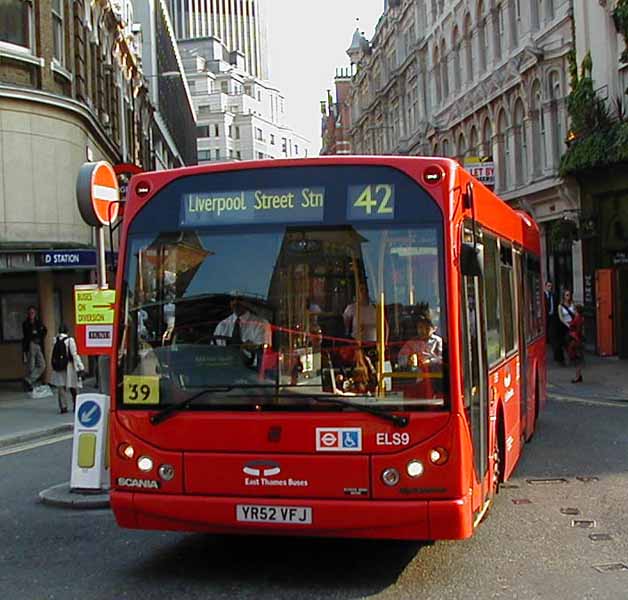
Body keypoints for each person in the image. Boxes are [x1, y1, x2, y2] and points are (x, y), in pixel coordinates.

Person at [49, 325, 85, 414]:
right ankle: (76, 405)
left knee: (61, 387)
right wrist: (80, 366)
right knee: (73, 385)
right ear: (67, 331)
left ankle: (63, 406)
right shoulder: (70, 340)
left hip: (59, 366)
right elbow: (74, 354)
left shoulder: (55, 340)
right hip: (69, 365)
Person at [22, 305, 47, 391]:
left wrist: (38, 336)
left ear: (35, 313)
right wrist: (34, 333)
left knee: (42, 365)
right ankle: (29, 385)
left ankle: (28, 380)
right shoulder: (26, 323)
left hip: (38, 344)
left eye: (32, 313)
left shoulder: (38, 322)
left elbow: (44, 330)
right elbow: (27, 335)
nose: (31, 314)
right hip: (30, 345)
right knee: (31, 366)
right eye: (30, 313)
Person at [566, 304, 585, 383]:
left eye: (574, 309)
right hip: (578, 339)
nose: (573, 310)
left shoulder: (577, 318)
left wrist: (570, 325)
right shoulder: (580, 318)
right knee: (578, 359)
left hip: (576, 340)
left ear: (576, 310)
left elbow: (576, 329)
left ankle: (577, 377)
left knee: (577, 359)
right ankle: (579, 375)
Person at [558, 289, 576, 364]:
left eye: (569, 295)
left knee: (574, 340)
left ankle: (573, 355)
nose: (568, 297)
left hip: (573, 324)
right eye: (567, 295)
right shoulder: (560, 306)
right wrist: (567, 324)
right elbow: (561, 317)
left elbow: (575, 313)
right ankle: (567, 356)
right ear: (564, 296)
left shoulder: (572, 304)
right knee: (566, 341)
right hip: (564, 326)